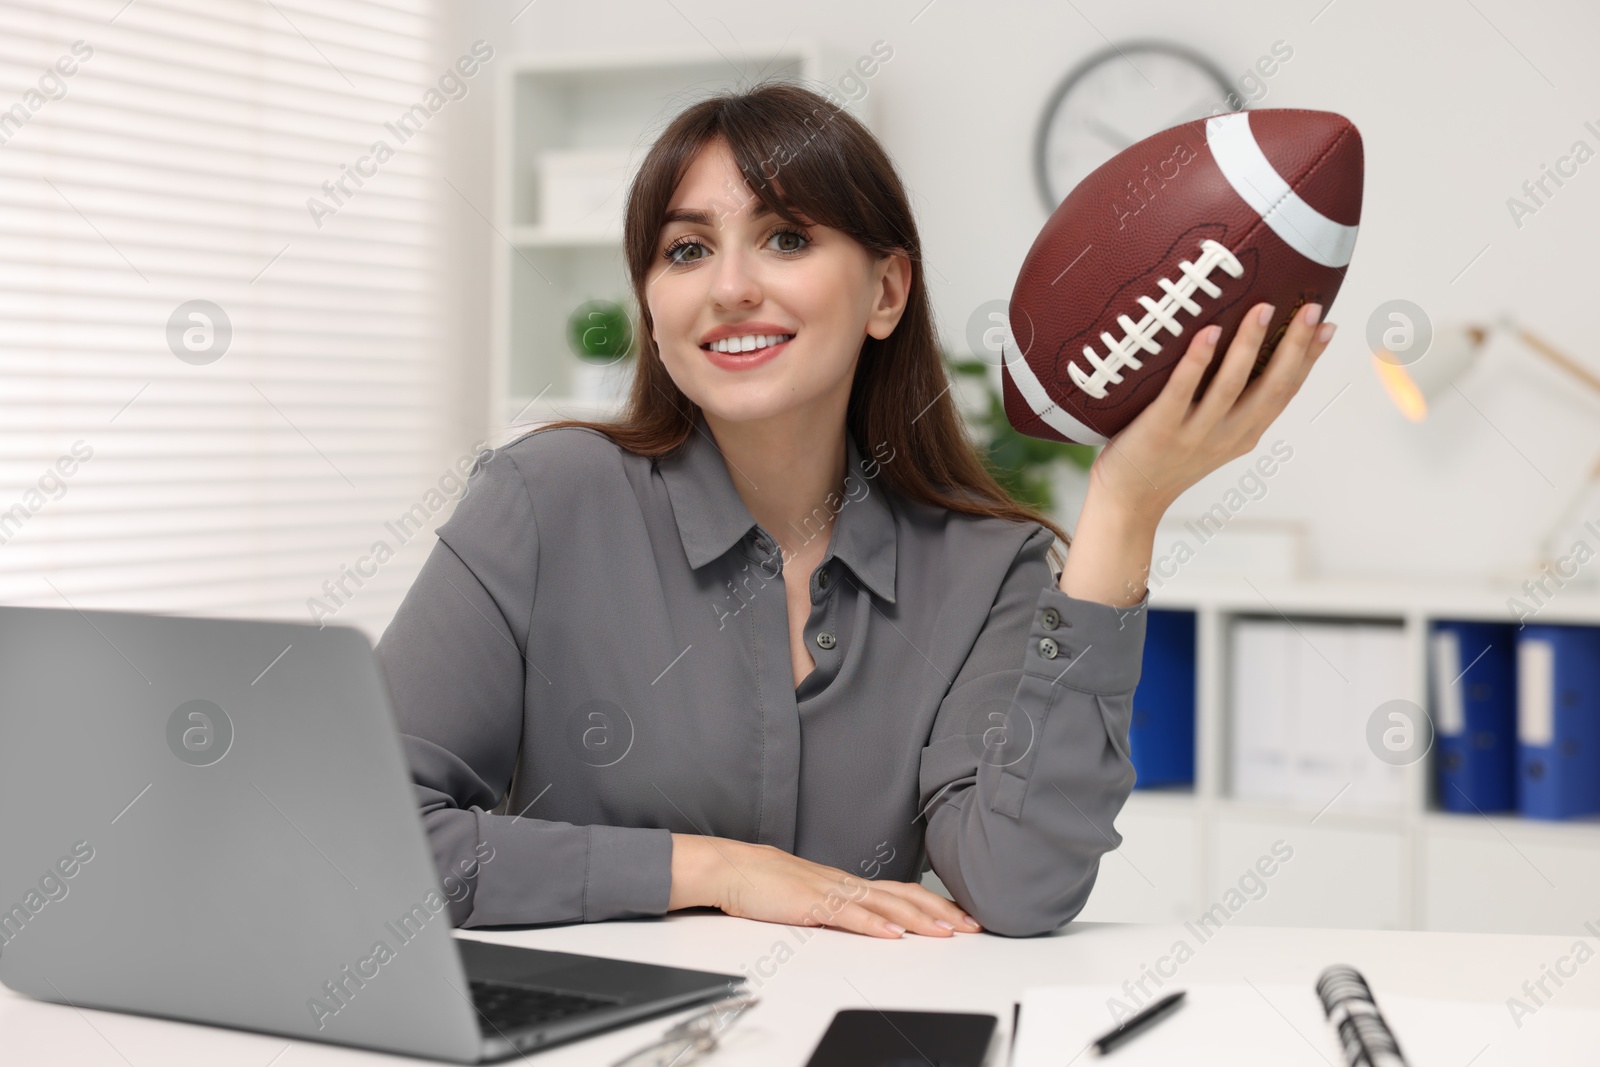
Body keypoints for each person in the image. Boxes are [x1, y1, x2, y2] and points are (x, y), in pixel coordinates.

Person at [375, 82, 1336, 940]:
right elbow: (367, 838)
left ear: (886, 291)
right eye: (686, 248)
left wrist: (1125, 505)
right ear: (652, 309)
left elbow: (1019, 885)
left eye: (786, 237)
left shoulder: (985, 567)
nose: (730, 286)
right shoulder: (545, 502)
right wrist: (716, 871)